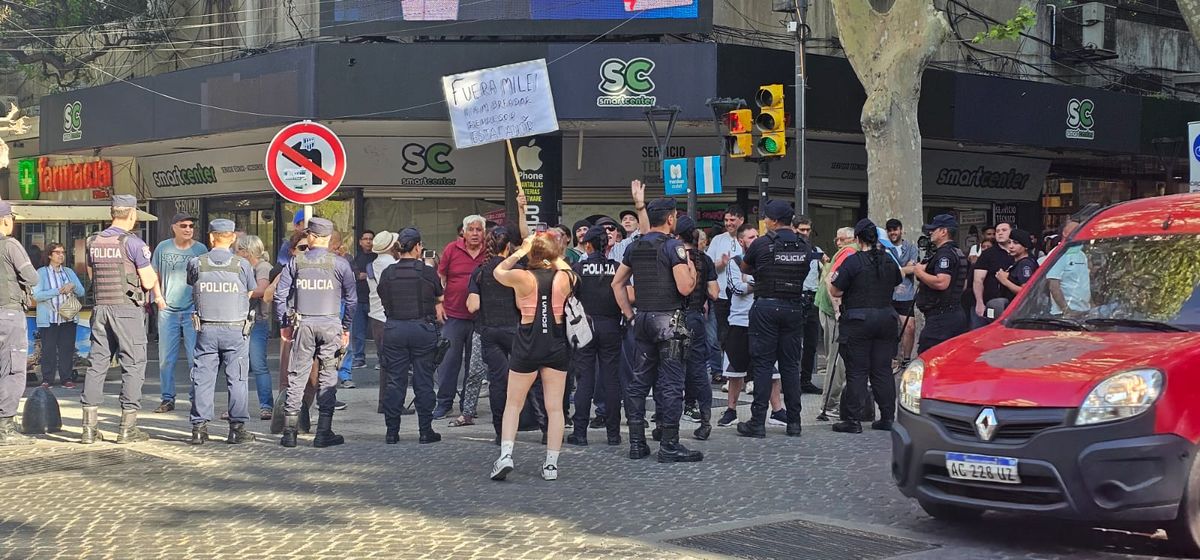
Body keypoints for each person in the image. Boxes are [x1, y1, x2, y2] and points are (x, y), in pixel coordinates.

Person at [611, 193, 704, 463]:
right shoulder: (672, 247)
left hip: (643, 320)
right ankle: (670, 445)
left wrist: (629, 315)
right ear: (671, 218)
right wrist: (691, 266)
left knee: (639, 382)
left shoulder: (634, 246)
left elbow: (617, 284)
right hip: (670, 321)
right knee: (671, 384)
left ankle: (637, 443)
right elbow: (685, 287)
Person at [490, 231, 575, 481]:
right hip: (556, 342)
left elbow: (498, 272)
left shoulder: (521, 277)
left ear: (532, 253)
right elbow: (570, 271)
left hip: (527, 341)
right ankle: (551, 464)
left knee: (513, 403)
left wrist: (521, 250)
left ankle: (506, 455)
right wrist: (556, 255)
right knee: (555, 407)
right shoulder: (565, 277)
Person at [80, 195, 159, 444]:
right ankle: (127, 428)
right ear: (132, 214)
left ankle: (89, 429)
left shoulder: (92, 241)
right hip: (126, 310)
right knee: (133, 365)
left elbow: (93, 276)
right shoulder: (133, 243)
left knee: (97, 365)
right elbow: (147, 281)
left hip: (101, 309)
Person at [273, 217, 357, 448]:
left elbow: (281, 296)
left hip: (303, 324)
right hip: (330, 325)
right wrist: (346, 327)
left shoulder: (296, 262)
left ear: (310, 236)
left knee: (297, 377)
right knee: (328, 378)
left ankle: (290, 433)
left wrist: (284, 324)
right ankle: (323, 433)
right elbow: (351, 300)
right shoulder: (340, 264)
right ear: (329, 238)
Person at [736, 200, 811, 439]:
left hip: (766, 306)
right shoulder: (803, 245)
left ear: (774, 221)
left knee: (763, 365)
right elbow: (805, 268)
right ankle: (794, 422)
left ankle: (757, 422)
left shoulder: (762, 244)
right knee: (790, 366)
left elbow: (746, 267)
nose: (765, 221)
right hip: (793, 308)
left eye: (766, 217)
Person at [186, 219, 257, 445]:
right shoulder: (241, 264)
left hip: (206, 328)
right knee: (237, 378)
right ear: (233, 237)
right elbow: (248, 292)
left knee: (203, 378)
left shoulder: (196, 263)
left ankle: (199, 428)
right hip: (235, 329)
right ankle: (236, 429)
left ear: (210, 237)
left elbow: (193, 287)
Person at [828, 219, 901, 434]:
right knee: (882, 370)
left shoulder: (853, 261)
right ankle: (887, 417)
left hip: (858, 321)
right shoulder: (888, 260)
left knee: (857, 371)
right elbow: (898, 281)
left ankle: (853, 420)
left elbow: (835, 291)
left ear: (858, 239)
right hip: (886, 319)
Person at [377, 227, 445, 445]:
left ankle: (392, 432)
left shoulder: (388, 273)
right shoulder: (427, 271)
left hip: (395, 329)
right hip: (422, 329)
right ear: (417, 247)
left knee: (395, 381)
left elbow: (382, 296)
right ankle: (426, 431)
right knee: (423, 381)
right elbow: (440, 296)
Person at [566, 225, 624, 446]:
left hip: (585, 326)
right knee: (611, 380)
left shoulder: (578, 268)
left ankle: (580, 432)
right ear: (607, 245)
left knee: (584, 380)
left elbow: (570, 298)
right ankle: (613, 433)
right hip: (611, 325)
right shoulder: (617, 268)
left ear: (587, 245)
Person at [465, 225, 522, 435]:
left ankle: (500, 431)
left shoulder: (480, 271)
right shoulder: (517, 270)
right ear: (508, 247)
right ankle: (528, 424)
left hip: (489, 331)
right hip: (514, 330)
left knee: (497, 381)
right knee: (523, 378)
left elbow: (473, 306)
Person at [151, 212, 207, 413]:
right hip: (168, 310)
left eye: (191, 226)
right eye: (183, 225)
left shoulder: (201, 249)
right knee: (166, 358)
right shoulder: (163, 248)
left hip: (192, 310)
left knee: (195, 357)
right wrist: (158, 298)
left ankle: (196, 398)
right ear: (174, 227)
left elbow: (205, 278)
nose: (188, 229)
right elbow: (154, 274)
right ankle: (167, 398)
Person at [433, 214, 488, 420]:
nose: (475, 233)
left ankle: (468, 405)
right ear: (463, 232)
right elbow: (440, 277)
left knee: (475, 365)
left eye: (479, 230)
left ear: (484, 233)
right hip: (453, 315)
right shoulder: (451, 249)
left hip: (480, 318)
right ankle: (444, 403)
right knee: (448, 362)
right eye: (471, 229)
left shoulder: (488, 252)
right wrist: (438, 303)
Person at [675, 216, 718, 441]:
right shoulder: (705, 259)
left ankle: (665, 422)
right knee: (699, 368)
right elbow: (714, 292)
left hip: (674, 317)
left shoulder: (672, 255)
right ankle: (705, 419)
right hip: (695, 318)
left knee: (671, 369)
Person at [0, 201, 38, 445]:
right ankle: (5, 426)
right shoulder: (10, 244)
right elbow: (31, 277)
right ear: (5, 220)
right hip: (8, 315)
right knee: (13, 370)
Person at [714, 224, 756, 428]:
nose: (755, 239)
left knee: (772, 371)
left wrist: (749, 281)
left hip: (761, 321)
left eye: (757, 236)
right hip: (739, 321)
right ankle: (731, 410)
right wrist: (758, 283)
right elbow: (737, 288)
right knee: (734, 371)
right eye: (750, 237)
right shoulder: (736, 261)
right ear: (741, 241)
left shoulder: (765, 260)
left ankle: (775, 411)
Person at [815, 227, 856, 421]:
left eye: (842, 240)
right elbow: (833, 284)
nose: (838, 243)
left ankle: (832, 402)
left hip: (831, 308)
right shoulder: (850, 253)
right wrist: (838, 311)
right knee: (836, 358)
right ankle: (829, 404)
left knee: (838, 358)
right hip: (832, 311)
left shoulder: (849, 252)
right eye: (837, 240)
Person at [913, 214, 970, 354]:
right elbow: (963, 284)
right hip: (954, 313)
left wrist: (919, 273)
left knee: (928, 358)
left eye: (934, 229)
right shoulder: (957, 252)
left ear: (944, 232)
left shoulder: (945, 254)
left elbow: (942, 283)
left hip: (941, 319)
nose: (930, 233)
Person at [34, 242, 84, 389]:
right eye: (57, 252)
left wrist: (73, 286)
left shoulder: (68, 272)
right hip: (49, 318)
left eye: (63, 252)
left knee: (67, 349)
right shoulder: (41, 272)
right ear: (50, 255)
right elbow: (36, 295)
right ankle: (47, 379)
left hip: (68, 317)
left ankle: (66, 378)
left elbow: (81, 291)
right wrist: (58, 290)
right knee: (48, 349)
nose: (61, 255)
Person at [236, 234, 274, 420]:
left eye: (239, 250)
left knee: (258, 365)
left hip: (257, 321)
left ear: (247, 251)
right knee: (236, 366)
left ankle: (266, 405)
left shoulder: (263, 267)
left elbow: (262, 290)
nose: (236, 253)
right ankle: (236, 408)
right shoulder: (242, 266)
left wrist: (237, 292)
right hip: (240, 321)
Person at [706, 205, 745, 382]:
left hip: (742, 296)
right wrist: (721, 264)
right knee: (719, 335)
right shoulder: (717, 240)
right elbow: (709, 266)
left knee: (738, 334)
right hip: (721, 294)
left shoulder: (747, 238)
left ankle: (739, 371)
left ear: (741, 220)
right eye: (726, 220)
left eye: (732, 220)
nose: (729, 223)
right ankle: (719, 369)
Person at [367, 230, 398, 411]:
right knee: (394, 363)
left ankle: (383, 402)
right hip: (388, 318)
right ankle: (391, 403)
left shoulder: (374, 264)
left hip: (376, 317)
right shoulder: (391, 265)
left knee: (385, 362)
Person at [792, 215, 824, 394]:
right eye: (801, 229)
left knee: (811, 342)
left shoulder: (815, 250)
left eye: (807, 230)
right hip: (796, 296)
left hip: (812, 297)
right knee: (793, 342)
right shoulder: (790, 248)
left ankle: (805, 379)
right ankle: (792, 379)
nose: (805, 233)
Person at [885, 219, 920, 369]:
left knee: (910, 327)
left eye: (895, 229)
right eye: (890, 230)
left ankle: (906, 359)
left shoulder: (911, 248)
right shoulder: (884, 248)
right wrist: (905, 269)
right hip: (888, 295)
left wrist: (898, 271)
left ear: (901, 230)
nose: (893, 233)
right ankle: (890, 357)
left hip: (906, 295)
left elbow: (914, 269)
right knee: (888, 327)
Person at [971, 222, 1013, 328]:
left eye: (1004, 230)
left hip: (1013, 306)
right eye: (997, 231)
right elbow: (978, 280)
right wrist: (979, 303)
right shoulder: (988, 254)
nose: (999, 233)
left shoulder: (1019, 253)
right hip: (989, 304)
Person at [349, 229, 376, 372]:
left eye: (371, 239)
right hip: (359, 299)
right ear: (360, 242)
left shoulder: (377, 258)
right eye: (365, 239)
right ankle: (359, 358)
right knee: (358, 332)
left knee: (378, 331)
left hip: (375, 300)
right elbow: (356, 275)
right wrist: (367, 275)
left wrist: (364, 275)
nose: (368, 241)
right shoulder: (356, 259)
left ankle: (381, 359)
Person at [996, 228, 1039, 307]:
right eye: (1009, 242)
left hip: (1021, 310)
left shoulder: (1025, 264)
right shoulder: (1017, 262)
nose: (1011, 246)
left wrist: (1004, 280)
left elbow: (1026, 291)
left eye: (1015, 243)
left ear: (1025, 246)